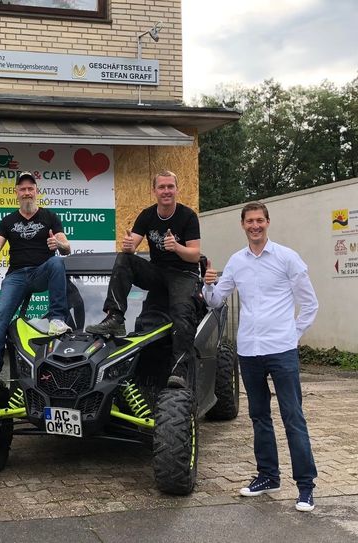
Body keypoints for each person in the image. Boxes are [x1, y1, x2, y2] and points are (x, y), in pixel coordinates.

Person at [202, 202, 318, 512]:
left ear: (268, 222)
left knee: (293, 417)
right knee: (259, 417)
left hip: (281, 350)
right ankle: (268, 476)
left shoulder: (287, 258)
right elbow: (215, 300)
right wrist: (207, 281)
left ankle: (305, 487)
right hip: (249, 351)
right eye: (249, 221)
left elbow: (310, 304)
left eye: (259, 220)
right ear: (242, 225)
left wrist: (291, 336)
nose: (255, 226)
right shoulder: (237, 262)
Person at [85, 170, 201, 389]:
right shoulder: (147, 215)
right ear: (154, 191)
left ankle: (179, 370)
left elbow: (195, 254)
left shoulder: (188, 216)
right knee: (124, 259)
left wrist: (176, 247)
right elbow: (132, 244)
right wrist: (129, 246)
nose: (166, 191)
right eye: (162, 187)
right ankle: (115, 317)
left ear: (177, 189)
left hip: (184, 273)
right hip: (158, 272)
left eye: (170, 187)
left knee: (182, 312)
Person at [0, 170, 72, 378]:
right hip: (17, 275)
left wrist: (58, 244)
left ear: (36, 192)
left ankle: (57, 319)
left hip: (41, 272)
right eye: (23, 189)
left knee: (57, 261)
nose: (27, 192)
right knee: (0, 317)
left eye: (31, 188)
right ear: (16, 192)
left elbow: (67, 248)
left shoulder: (50, 216)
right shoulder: (8, 220)